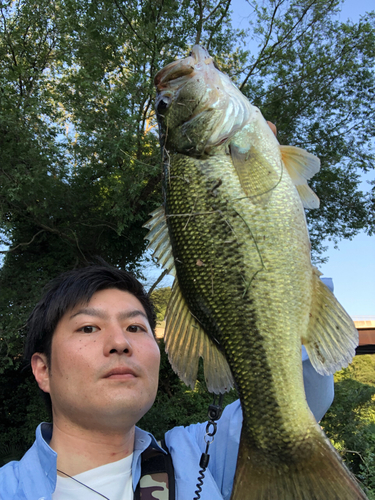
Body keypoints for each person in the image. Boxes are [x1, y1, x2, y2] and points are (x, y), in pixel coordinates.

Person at [0, 264, 334, 500]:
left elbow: (299, 394)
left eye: (136, 328)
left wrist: (274, 259)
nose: (121, 342)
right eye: (88, 327)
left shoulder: (200, 453)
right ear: (43, 370)